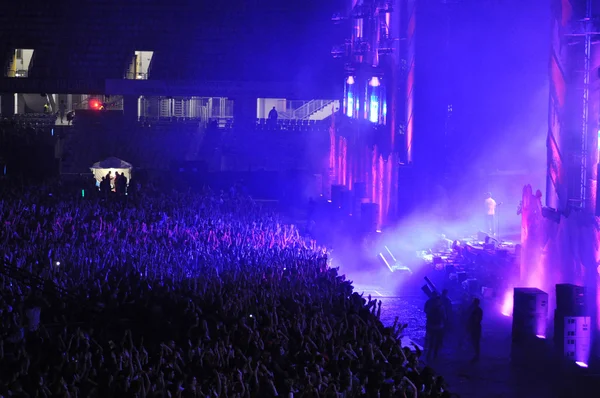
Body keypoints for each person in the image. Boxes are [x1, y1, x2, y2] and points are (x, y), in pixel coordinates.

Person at [424, 292, 446, 360]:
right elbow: (444, 316)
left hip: (431, 324)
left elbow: (425, 310)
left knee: (431, 340)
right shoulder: (441, 304)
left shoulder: (428, 302)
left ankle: (429, 354)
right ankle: (435, 354)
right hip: (439, 325)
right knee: (436, 340)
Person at [467, 298, 483, 362]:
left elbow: (476, 320)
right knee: (474, 341)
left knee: (476, 342)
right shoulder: (477, 310)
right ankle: (476, 355)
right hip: (475, 327)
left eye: (474, 303)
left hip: (476, 327)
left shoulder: (477, 310)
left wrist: (471, 324)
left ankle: (477, 355)